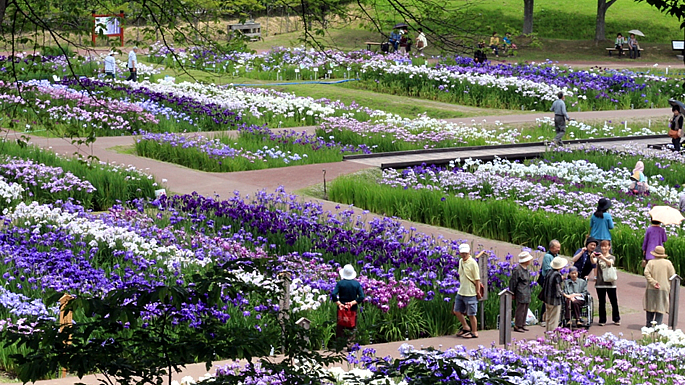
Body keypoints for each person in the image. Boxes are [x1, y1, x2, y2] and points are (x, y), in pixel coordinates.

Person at [331, 264, 365, 342]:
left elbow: (333, 294)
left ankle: (339, 344)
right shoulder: (356, 284)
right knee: (352, 326)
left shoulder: (340, 283)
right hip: (352, 309)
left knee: (340, 326)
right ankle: (350, 344)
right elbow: (361, 296)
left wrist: (339, 303)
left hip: (341, 308)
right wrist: (352, 303)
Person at [643, 246, 676, 327]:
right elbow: (673, 276)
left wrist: (653, 282)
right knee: (660, 308)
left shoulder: (651, 262)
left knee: (650, 307)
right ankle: (658, 326)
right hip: (664, 288)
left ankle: (648, 325)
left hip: (651, 287)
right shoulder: (668, 263)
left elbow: (646, 273)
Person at [453, 243, 480, 339]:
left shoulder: (473, 263)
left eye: (466, 253)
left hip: (471, 292)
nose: (464, 255)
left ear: (469, 252)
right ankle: (465, 327)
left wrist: (478, 291)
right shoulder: (460, 261)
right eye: (462, 253)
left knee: (471, 314)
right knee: (456, 311)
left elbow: (477, 279)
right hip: (461, 291)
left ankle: (474, 332)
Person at [596, 240, 620, 326]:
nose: (604, 248)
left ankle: (616, 319)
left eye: (606, 246)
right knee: (601, 302)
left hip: (611, 283)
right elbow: (593, 262)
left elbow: (610, 263)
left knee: (613, 301)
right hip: (600, 282)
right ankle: (602, 320)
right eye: (602, 246)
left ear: (609, 247)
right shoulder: (598, 257)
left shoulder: (611, 257)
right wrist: (592, 257)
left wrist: (603, 258)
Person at [541, 256, 568, 332]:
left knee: (548, 318)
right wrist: (565, 295)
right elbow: (558, 288)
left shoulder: (549, 272)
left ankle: (547, 333)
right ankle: (552, 337)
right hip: (555, 300)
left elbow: (545, 285)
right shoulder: (557, 275)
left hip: (547, 299)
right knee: (554, 319)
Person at [509, 251, 533, 332]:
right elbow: (513, 282)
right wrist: (512, 292)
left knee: (525, 308)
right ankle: (517, 325)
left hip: (526, 291)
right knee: (520, 309)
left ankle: (522, 324)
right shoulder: (517, 270)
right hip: (520, 291)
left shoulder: (526, 269)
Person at [538, 239, 561, 327]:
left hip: (554, 278)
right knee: (547, 299)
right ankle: (543, 318)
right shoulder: (547, 257)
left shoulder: (556, 255)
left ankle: (550, 319)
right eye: (557, 247)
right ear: (551, 248)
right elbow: (548, 269)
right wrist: (556, 274)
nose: (558, 249)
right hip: (547, 280)